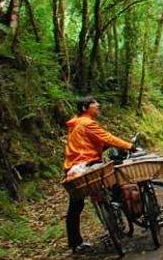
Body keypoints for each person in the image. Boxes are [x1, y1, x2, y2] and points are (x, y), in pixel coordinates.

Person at [63, 96, 134, 253]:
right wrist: (129, 146)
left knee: (76, 206)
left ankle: (75, 243)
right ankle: (121, 212)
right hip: (89, 164)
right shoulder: (87, 123)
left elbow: (90, 143)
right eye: (94, 104)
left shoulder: (76, 124)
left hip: (73, 169)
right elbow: (106, 137)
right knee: (114, 183)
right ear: (84, 108)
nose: (98, 105)